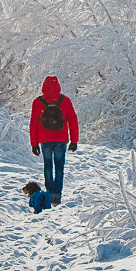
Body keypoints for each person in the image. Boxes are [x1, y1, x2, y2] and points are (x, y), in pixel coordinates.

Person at [30, 75, 79, 205]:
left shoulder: (38, 102)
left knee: (47, 167)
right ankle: (57, 196)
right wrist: (74, 140)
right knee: (59, 167)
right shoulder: (65, 101)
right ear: (58, 86)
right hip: (61, 139)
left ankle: (50, 194)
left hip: (45, 140)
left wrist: (34, 144)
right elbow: (73, 121)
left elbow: (33, 124)